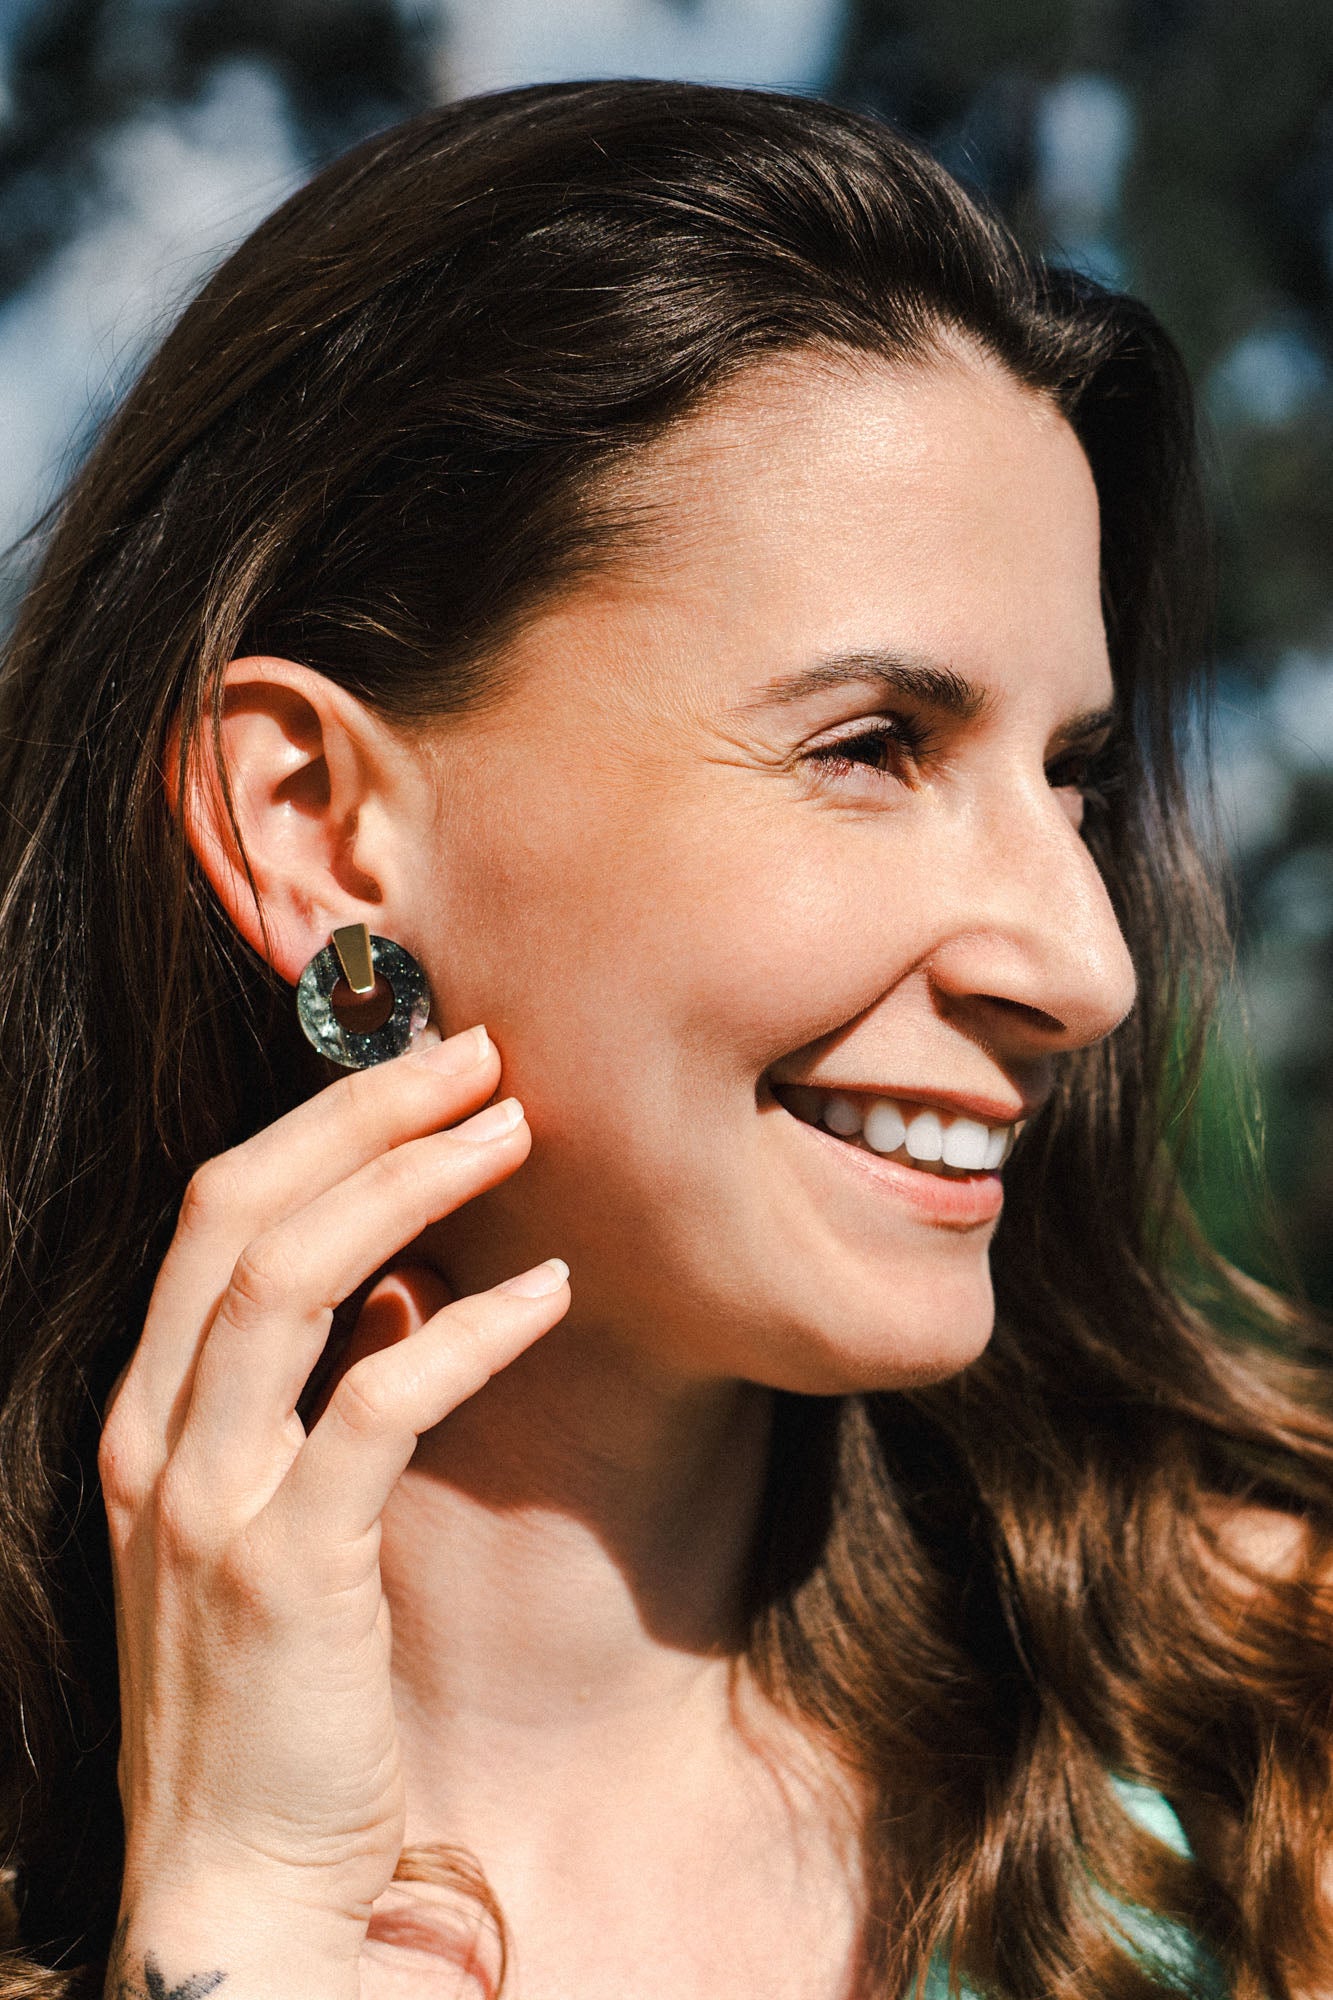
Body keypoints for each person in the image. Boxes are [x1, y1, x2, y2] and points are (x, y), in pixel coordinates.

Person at [0, 77, 1329, 2000]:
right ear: (314, 826)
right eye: (873, 748)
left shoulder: (1263, 1756)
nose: (1087, 962)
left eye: (1073, 778)